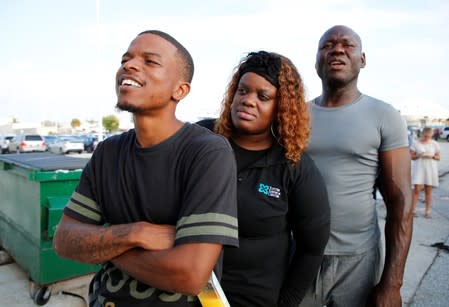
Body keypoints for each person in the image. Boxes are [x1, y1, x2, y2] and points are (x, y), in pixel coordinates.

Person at [53, 30, 239, 307]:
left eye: (150, 61)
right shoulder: (108, 152)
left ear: (180, 90)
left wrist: (102, 247)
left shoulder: (207, 152)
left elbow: (190, 276)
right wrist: (135, 233)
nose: (129, 65)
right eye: (125, 59)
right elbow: (64, 241)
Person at [198, 51, 330, 307]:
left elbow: (312, 248)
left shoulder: (294, 166)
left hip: (255, 298)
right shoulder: (202, 138)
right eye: (242, 91)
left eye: (263, 96)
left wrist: (286, 304)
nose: (247, 101)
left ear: (282, 107)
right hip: (187, 292)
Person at [300, 25, 413, 307]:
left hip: (358, 259)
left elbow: (401, 201)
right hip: (299, 254)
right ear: (316, 60)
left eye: (347, 45)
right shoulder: (296, 115)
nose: (337, 49)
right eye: (327, 45)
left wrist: (392, 283)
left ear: (362, 60)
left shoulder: (384, 115)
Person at [410, 126, 440, 218]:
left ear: (432, 134)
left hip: (430, 169)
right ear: (422, 134)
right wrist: (419, 155)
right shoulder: (416, 143)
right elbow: (411, 157)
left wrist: (432, 157)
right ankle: (413, 210)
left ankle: (427, 211)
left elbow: (438, 157)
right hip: (419, 169)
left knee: (428, 191)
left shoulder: (435, 144)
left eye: (429, 136)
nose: (427, 137)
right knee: (417, 190)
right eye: (425, 136)